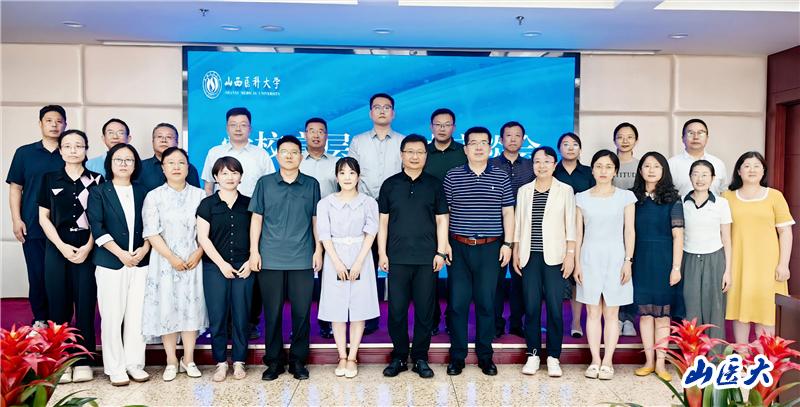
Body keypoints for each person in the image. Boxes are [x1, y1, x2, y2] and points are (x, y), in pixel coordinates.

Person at [249, 135, 322, 381]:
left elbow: (316, 220)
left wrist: (318, 250)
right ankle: (274, 362)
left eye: (294, 152)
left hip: (302, 258)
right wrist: (254, 251)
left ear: (301, 156)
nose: (289, 156)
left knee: (302, 313)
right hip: (270, 258)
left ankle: (298, 361)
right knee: (273, 313)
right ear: (277, 155)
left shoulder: (311, 184)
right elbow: (256, 219)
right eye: (284, 152)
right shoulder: (265, 183)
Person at [443, 126, 515, 377]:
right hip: (458, 247)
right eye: (473, 143)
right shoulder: (453, 176)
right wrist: (444, 245)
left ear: (490, 147)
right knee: (458, 304)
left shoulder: (501, 176)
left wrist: (508, 244)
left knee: (486, 304)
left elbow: (508, 212)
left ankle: (486, 356)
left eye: (483, 142)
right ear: (465, 149)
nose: (478, 147)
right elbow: (445, 213)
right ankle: (457, 357)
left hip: (490, 248)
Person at [378, 134, 449, 379]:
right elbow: (383, 222)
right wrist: (382, 252)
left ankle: (420, 357)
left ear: (426, 156)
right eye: (410, 152)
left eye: (420, 152)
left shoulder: (434, 185)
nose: (415, 156)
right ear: (402, 155)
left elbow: (442, 220)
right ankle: (398, 356)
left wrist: (441, 251)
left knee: (424, 311)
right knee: (396, 310)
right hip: (397, 258)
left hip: (427, 259)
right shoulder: (390, 185)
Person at [201, 107, 275, 341]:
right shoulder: (215, 152)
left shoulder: (260, 154)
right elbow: (208, 187)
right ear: (226, 127)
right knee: (220, 277)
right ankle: (223, 325)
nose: (238, 128)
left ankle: (250, 323)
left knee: (251, 273)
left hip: (253, 218)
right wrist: (212, 214)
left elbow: (269, 187)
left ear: (250, 128)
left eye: (243, 124)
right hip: (221, 217)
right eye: (233, 124)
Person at [38, 129, 103, 384]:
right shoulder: (49, 179)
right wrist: (62, 246)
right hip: (57, 249)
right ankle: (62, 361)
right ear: (61, 150)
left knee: (85, 304)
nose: (73, 150)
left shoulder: (97, 180)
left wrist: (88, 246)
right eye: (68, 146)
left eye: (79, 145)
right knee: (58, 305)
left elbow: (99, 219)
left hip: (88, 248)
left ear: (86, 149)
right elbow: (43, 217)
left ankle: (84, 360)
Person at [141, 147, 207, 382]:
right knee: (167, 308)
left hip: (193, 259)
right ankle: (170, 360)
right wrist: (171, 257)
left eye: (181, 162)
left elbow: (207, 232)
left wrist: (199, 252)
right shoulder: (154, 196)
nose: (176, 167)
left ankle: (188, 359)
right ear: (163, 168)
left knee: (191, 308)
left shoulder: (200, 196)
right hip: (164, 262)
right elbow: (151, 232)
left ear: (188, 167)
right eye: (171, 163)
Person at [87, 143, 150, 386]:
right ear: (110, 164)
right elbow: (97, 226)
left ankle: (134, 364)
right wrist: (121, 254)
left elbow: (152, 224)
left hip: (140, 262)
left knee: (137, 316)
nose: (124, 164)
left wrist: (144, 249)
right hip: (111, 262)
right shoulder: (99, 192)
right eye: (118, 159)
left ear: (135, 165)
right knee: (112, 316)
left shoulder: (143, 191)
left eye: (129, 160)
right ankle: (115, 367)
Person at [512, 146, 576, 377]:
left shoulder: (565, 190)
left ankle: (553, 357)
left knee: (555, 308)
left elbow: (571, 224)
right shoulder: (524, 191)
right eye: (537, 161)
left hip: (555, 257)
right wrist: (516, 251)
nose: (542, 165)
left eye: (547, 161)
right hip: (529, 256)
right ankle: (533, 354)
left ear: (554, 164)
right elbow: (518, 223)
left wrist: (570, 254)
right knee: (531, 307)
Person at [574, 149, 636, 381]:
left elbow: (629, 231)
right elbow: (578, 234)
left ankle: (608, 361)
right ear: (592, 170)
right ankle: (594, 360)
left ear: (615, 171)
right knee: (592, 311)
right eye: (599, 166)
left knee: (612, 312)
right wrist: (577, 263)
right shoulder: (581, 197)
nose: (603, 171)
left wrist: (628, 261)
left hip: (616, 257)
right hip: (589, 257)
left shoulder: (626, 197)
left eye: (609, 167)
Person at [347, 93, 405, 335]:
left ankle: (397, 318)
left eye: (387, 107)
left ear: (393, 113)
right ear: (370, 112)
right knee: (366, 265)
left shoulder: (403, 142)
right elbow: (351, 175)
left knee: (398, 265)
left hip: (398, 212)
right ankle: (367, 316)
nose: (382, 111)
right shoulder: (358, 142)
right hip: (365, 211)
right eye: (377, 107)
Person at [317, 157, 380, 379]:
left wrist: (359, 262)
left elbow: (371, 232)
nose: (347, 177)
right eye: (342, 173)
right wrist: (336, 262)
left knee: (359, 307)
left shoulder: (369, 202)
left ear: (358, 177)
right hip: (334, 257)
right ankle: (341, 356)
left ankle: (352, 357)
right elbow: (324, 234)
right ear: (336, 177)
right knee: (336, 308)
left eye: (352, 173)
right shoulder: (325, 203)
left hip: (361, 256)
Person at [723, 151, 794, 344]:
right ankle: (741, 353)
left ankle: (765, 358)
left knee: (767, 311)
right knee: (741, 311)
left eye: (756, 166)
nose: (751, 170)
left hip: (768, 265)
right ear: (739, 171)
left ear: (763, 171)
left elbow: (785, 232)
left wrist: (783, 264)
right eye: (746, 166)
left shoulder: (775, 196)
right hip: (739, 263)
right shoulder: (727, 197)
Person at [6, 105, 67, 327]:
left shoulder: (70, 151)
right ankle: (40, 318)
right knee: (37, 274)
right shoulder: (24, 153)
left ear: (65, 125)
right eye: (49, 120)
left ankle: (60, 321)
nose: (54, 125)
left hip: (63, 226)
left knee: (61, 277)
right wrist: (16, 219)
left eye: (59, 121)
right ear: (40, 124)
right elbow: (15, 188)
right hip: (32, 223)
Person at [196, 156, 254, 382]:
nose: (230, 177)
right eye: (224, 173)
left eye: (234, 173)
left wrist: (250, 261)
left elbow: (258, 235)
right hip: (215, 268)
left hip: (244, 267)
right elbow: (203, 238)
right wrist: (222, 264)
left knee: (242, 315)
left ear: (241, 176)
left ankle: (239, 361)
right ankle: (220, 362)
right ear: (216, 177)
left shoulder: (250, 204)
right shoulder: (207, 204)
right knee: (218, 316)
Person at [630, 152, 685, 382]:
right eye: (647, 166)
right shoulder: (632, 198)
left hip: (664, 261)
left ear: (664, 171)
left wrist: (676, 267)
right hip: (640, 260)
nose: (651, 170)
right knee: (645, 315)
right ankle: (649, 361)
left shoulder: (673, 199)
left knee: (662, 316)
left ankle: (661, 364)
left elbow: (678, 236)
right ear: (640, 170)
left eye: (656, 166)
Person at [422, 108, 466, 336]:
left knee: (456, 277)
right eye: (438, 124)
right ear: (431, 127)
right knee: (428, 276)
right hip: (428, 223)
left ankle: (452, 320)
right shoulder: (423, 152)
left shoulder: (463, 152)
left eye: (447, 124)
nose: (442, 128)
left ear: (454, 127)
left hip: (459, 222)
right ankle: (431, 320)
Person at [489, 121, 534, 338]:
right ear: (500, 139)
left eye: (517, 135)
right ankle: (495, 324)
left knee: (521, 280)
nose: (513, 139)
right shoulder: (490, 165)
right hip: (496, 230)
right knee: (495, 281)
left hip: (524, 232)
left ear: (523, 139)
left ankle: (517, 323)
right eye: (508, 135)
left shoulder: (531, 166)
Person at [682, 160, 732, 341]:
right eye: (696, 174)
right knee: (691, 308)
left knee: (715, 309)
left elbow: (726, 238)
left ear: (712, 178)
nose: (700, 179)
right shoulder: (681, 202)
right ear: (690, 177)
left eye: (705, 175)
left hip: (715, 258)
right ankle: (692, 353)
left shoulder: (721, 203)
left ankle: (715, 354)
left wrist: (728, 271)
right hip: (688, 258)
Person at [299, 117, 337, 339]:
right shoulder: (296, 161)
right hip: (300, 226)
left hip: (330, 227)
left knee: (328, 277)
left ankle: (327, 322)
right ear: (305, 135)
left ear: (326, 136)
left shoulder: (336, 163)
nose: (316, 135)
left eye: (320, 131)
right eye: (311, 131)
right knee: (301, 278)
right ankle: (300, 324)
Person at [554, 132, 595, 338]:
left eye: (575, 144)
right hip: (555, 232)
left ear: (580, 149)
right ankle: (555, 322)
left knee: (578, 279)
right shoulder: (552, 171)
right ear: (559, 148)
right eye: (565, 144)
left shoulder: (588, 173)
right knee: (555, 280)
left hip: (584, 232)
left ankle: (576, 322)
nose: (570, 148)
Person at [612, 122, 640, 337]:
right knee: (613, 273)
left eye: (629, 137)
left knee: (631, 272)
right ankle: (614, 318)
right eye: (620, 136)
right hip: (610, 225)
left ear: (636, 141)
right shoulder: (608, 163)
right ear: (614, 140)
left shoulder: (641, 166)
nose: (625, 140)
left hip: (634, 224)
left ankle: (628, 318)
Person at [668, 119, 727, 197]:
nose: (696, 137)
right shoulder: (671, 164)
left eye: (700, 133)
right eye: (690, 133)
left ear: (707, 138)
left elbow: (723, 192)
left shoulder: (718, 164)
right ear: (683, 138)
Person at [138, 123, 200, 193]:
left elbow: (195, 194)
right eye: (159, 136)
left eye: (169, 137)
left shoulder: (188, 168)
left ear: (177, 142)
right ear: (153, 142)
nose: (163, 140)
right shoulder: (140, 167)